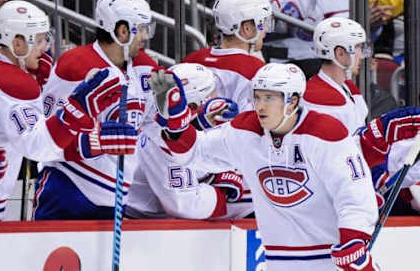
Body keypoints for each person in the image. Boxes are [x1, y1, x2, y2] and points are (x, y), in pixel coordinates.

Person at [149, 62, 379, 270]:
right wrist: (177, 125)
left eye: (269, 98)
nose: (260, 105)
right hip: (278, 261)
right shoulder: (244, 131)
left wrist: (354, 238)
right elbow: (196, 152)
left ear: (293, 100)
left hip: (330, 261)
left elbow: (354, 192)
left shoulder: (326, 134)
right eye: (257, 97)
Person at [0, 0, 123, 221]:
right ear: (17, 44)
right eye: (37, 40)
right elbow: (37, 148)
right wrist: (76, 112)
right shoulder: (15, 86)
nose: (44, 47)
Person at [33, 0, 157, 220]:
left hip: (116, 196)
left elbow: (155, 124)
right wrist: (92, 142)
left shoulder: (146, 67)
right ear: (122, 31)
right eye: (141, 29)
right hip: (67, 188)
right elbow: (41, 136)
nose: (146, 36)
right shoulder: (75, 65)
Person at [126, 63, 247, 219]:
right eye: (212, 94)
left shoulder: (172, 127)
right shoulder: (160, 138)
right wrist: (222, 189)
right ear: (192, 105)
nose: (219, 99)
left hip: (155, 224)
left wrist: (201, 127)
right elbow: (186, 206)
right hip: (139, 225)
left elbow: (191, 158)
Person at [183, 0, 272, 112]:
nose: (266, 30)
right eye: (262, 23)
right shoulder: (257, 70)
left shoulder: (192, 59)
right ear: (247, 29)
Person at [302, 17, 372, 135]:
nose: (361, 56)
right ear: (339, 53)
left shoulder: (347, 87)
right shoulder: (319, 97)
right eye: (358, 47)